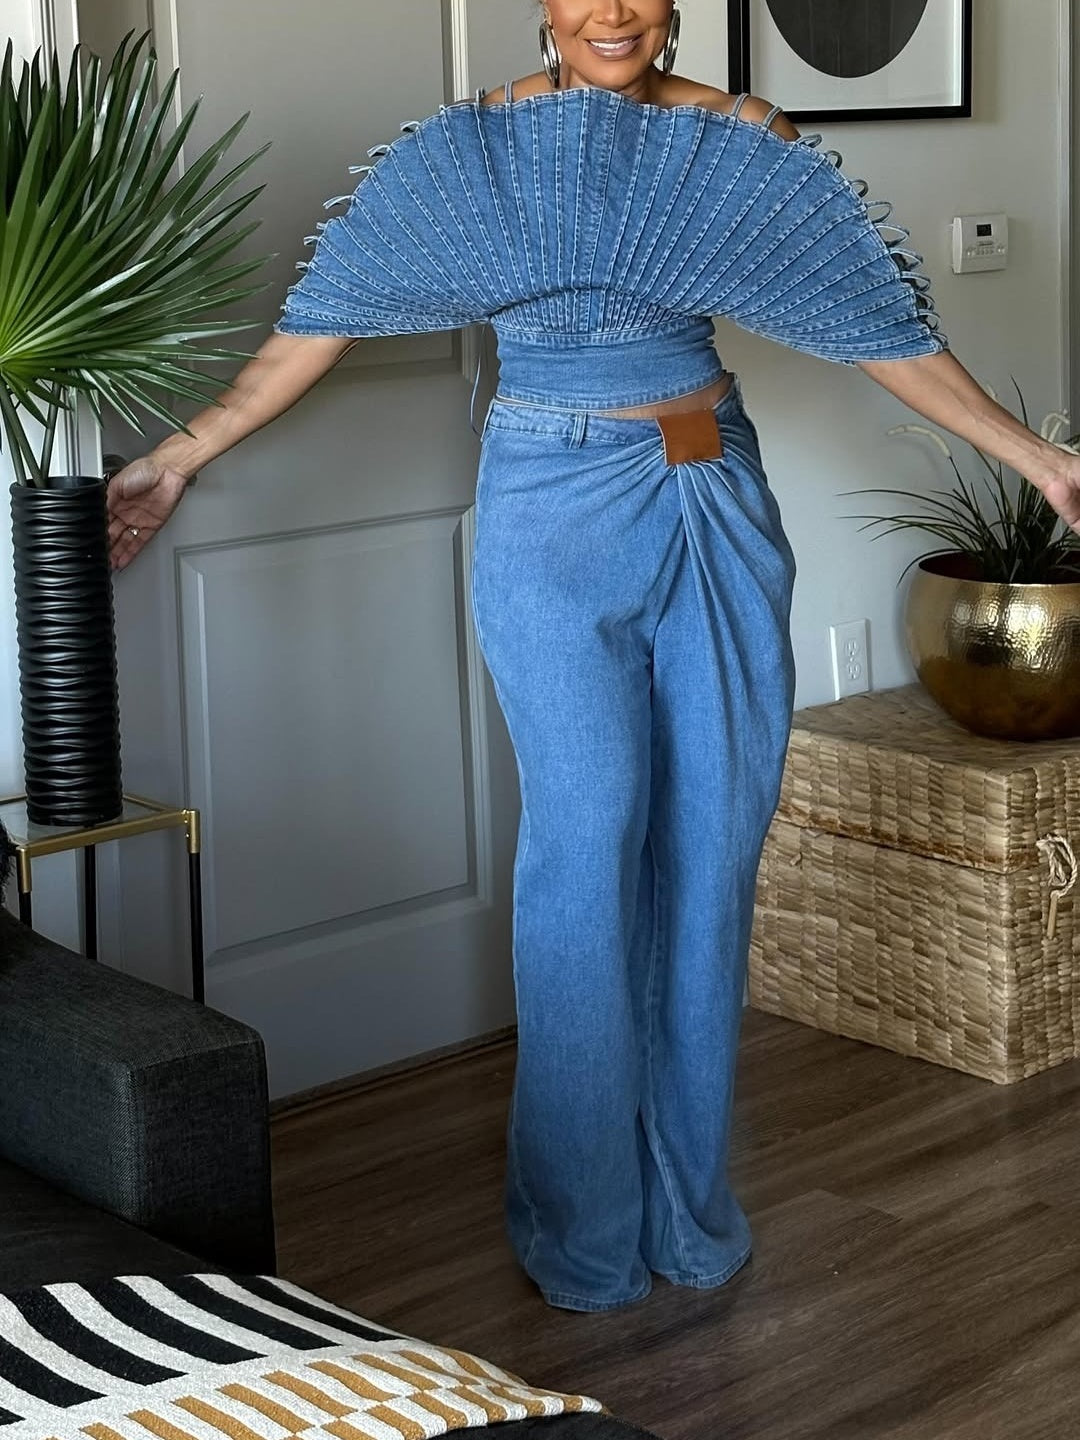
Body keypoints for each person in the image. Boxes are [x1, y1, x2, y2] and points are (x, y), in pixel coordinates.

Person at [107, 2, 1080, 1313]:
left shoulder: (743, 139)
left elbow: (878, 332)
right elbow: (318, 323)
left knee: (718, 840)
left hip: (714, 496)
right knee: (587, 840)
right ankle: (581, 1222)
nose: (612, 8)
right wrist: (179, 455)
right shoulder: (478, 151)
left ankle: (687, 1208)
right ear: (545, 7)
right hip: (550, 507)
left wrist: (1039, 462)